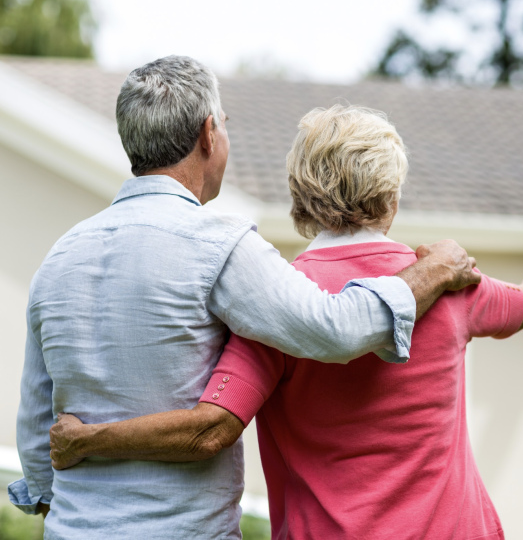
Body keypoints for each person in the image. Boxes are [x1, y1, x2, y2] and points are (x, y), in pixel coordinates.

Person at [50, 104, 523, 539]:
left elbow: (211, 427)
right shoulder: (448, 282)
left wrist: (87, 438)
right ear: (392, 193)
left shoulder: (276, 305)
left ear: (300, 195)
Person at [11, 58, 480, 540]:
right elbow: (338, 330)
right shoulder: (219, 246)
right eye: (225, 125)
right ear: (208, 134)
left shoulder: (59, 258)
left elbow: (37, 424)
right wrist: (433, 270)